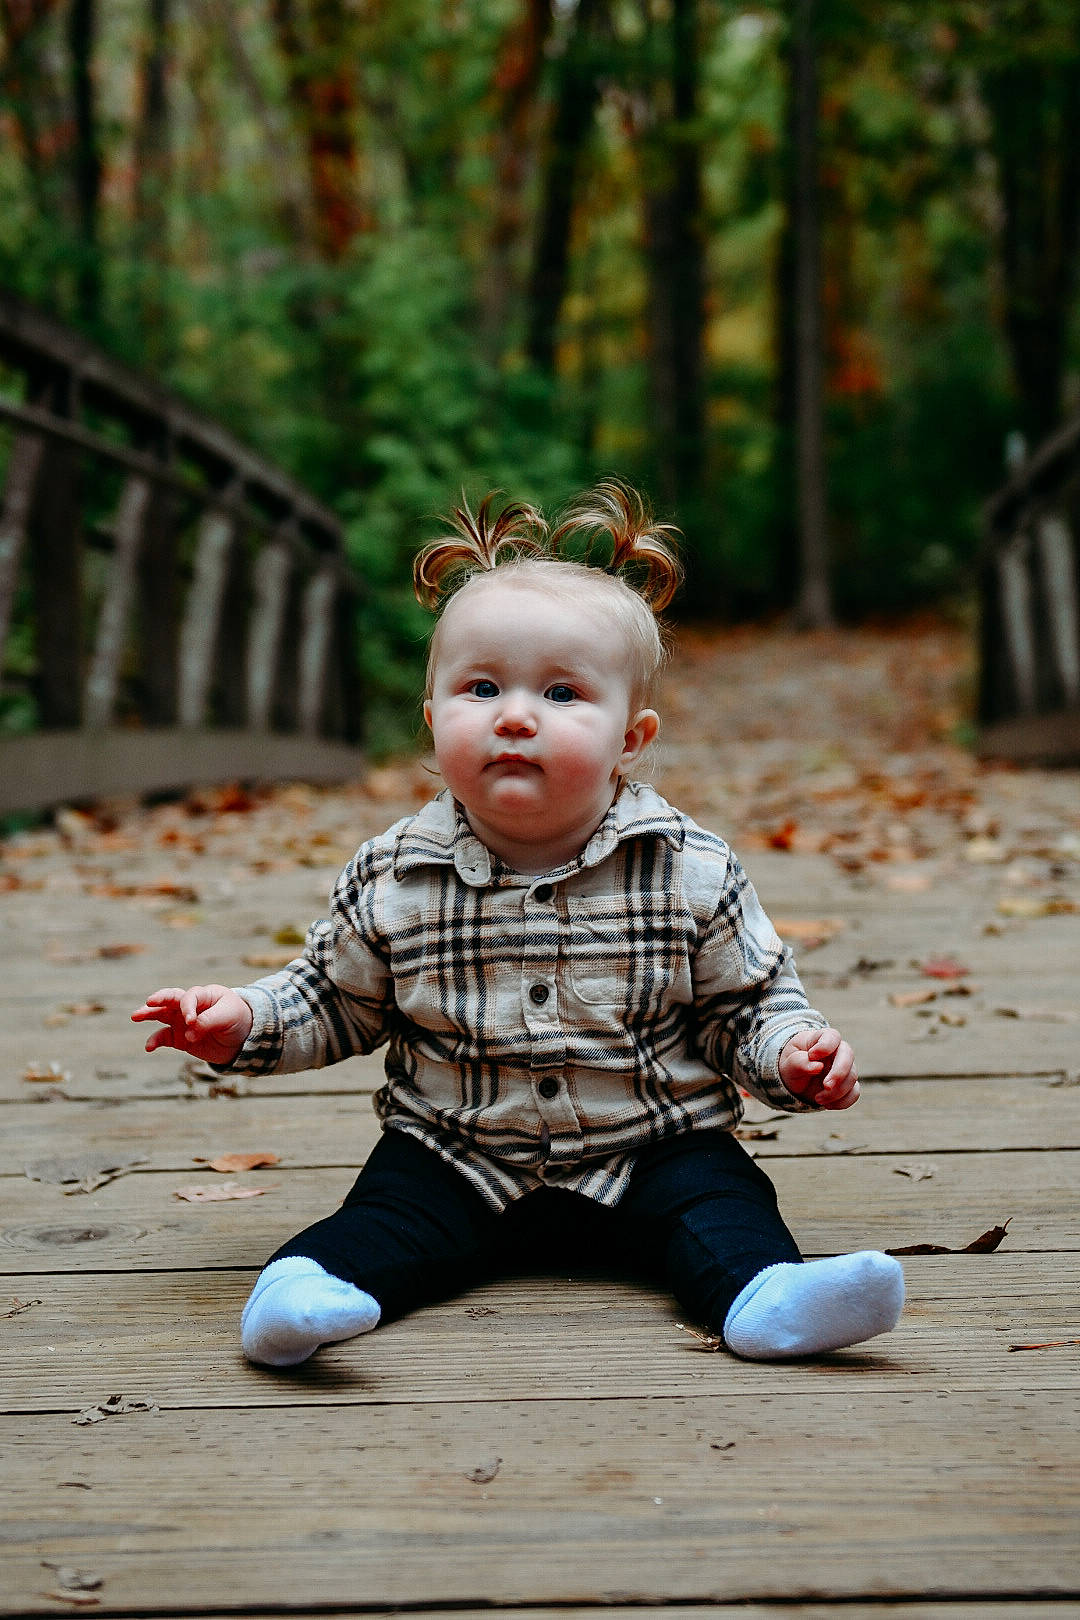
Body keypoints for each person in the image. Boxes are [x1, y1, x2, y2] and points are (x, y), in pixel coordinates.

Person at [132, 481, 903, 1370]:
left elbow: (747, 1007)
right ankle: (299, 1293)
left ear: (632, 737)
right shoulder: (393, 874)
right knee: (384, 1214)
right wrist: (244, 1023)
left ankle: (768, 1299)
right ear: (432, 718)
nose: (515, 715)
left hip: (650, 1146)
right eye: (482, 687)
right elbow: (333, 998)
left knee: (723, 1201)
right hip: (457, 1149)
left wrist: (793, 1053)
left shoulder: (690, 869)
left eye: (564, 693)